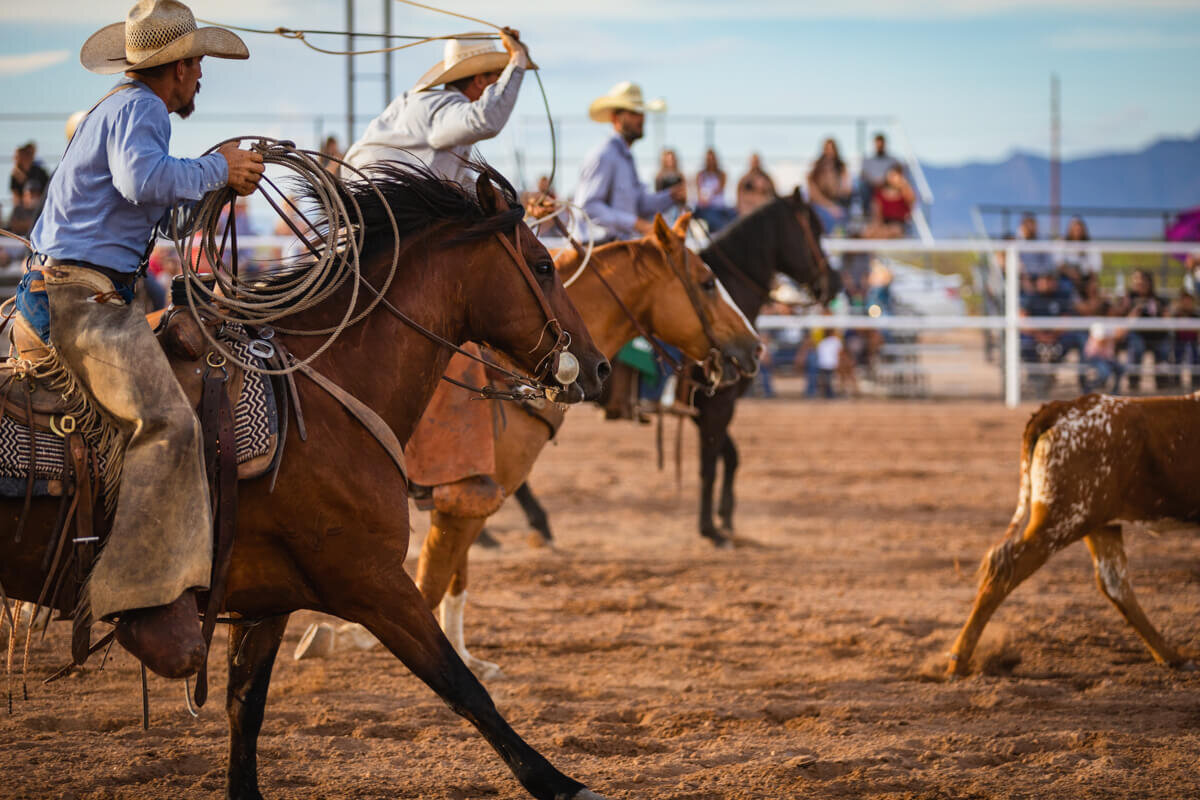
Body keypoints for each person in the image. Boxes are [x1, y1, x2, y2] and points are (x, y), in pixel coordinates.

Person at [16, 0, 263, 679]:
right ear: (177, 69)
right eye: (199, 66)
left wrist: (218, 176)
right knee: (166, 423)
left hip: (78, 292)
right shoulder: (142, 111)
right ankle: (139, 594)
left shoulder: (122, 111)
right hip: (75, 301)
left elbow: (163, 208)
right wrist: (218, 170)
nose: (202, 78)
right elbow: (143, 181)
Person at [343, 31, 533, 187]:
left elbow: (457, 183)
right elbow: (486, 119)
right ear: (480, 80)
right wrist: (517, 60)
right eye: (498, 76)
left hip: (361, 195)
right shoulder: (447, 108)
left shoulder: (419, 101)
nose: (500, 83)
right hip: (386, 204)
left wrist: (505, 201)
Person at [572, 81, 686, 242]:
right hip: (600, 251)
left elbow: (638, 204)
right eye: (633, 113)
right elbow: (588, 207)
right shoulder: (604, 155)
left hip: (617, 248)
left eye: (641, 112)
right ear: (615, 118)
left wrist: (670, 197)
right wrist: (636, 224)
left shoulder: (625, 158)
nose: (641, 118)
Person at [1113, 268, 1169, 392]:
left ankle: (1162, 383)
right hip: (1136, 336)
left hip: (1157, 336)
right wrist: (1133, 314)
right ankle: (1133, 381)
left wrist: (1160, 311)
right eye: (1136, 280)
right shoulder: (1127, 300)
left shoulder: (1158, 299)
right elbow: (1120, 322)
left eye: (1143, 280)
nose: (1139, 283)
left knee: (1163, 349)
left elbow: (1167, 319)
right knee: (1136, 345)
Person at [807, 138, 852, 235]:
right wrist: (830, 207)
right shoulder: (815, 169)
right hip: (820, 205)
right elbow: (815, 196)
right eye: (827, 149)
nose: (830, 153)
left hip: (836, 203)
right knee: (829, 217)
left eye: (832, 149)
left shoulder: (841, 167)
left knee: (842, 215)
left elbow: (846, 190)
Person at [865, 164, 915, 238]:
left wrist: (903, 184)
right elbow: (877, 214)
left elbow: (911, 200)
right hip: (884, 223)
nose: (892, 178)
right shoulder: (879, 194)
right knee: (869, 232)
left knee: (892, 230)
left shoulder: (904, 192)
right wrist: (878, 226)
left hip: (899, 224)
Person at [694, 148, 735, 232]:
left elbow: (719, 189)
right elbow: (700, 194)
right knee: (717, 222)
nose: (711, 161)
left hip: (720, 207)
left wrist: (709, 194)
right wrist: (705, 199)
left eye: (712, 159)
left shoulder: (721, 174)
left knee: (735, 216)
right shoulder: (701, 175)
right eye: (709, 159)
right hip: (707, 208)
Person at [859, 132, 901, 212]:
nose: (879, 146)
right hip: (870, 186)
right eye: (877, 144)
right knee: (862, 186)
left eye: (881, 144)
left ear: (884, 144)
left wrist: (885, 181)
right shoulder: (867, 160)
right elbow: (863, 174)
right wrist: (874, 182)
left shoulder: (892, 161)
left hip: (887, 185)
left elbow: (896, 173)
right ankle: (867, 211)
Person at [10, 141, 50, 209]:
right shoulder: (15, 175)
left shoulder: (39, 171)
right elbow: (16, 198)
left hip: (40, 206)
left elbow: (48, 189)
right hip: (24, 209)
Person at [736, 152, 776, 217]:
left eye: (756, 161)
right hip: (748, 212)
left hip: (764, 211)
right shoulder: (744, 179)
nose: (755, 164)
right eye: (753, 161)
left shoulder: (767, 178)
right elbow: (739, 196)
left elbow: (772, 194)